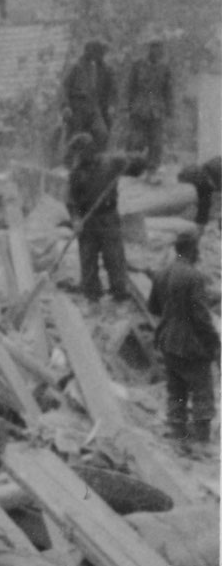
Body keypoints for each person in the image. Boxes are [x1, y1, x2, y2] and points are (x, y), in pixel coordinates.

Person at [149, 231, 219, 451]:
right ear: (191, 250)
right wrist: (215, 344)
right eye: (196, 249)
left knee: (176, 389)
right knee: (202, 390)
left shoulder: (161, 273)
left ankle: (177, 434)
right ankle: (201, 440)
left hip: (168, 341)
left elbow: (153, 307)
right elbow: (201, 318)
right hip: (190, 344)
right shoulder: (193, 276)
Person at [65, 133, 142, 303]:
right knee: (88, 259)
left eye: (80, 152)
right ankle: (92, 295)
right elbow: (71, 200)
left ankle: (119, 293)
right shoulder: (76, 173)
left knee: (114, 257)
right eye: (76, 153)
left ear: (90, 149)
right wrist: (76, 219)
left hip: (108, 217)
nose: (78, 157)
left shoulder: (111, 162)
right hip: (87, 221)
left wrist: (136, 159)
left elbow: (136, 166)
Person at [124, 38, 174, 173]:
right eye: (154, 48)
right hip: (139, 106)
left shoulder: (164, 68)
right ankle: (132, 167)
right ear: (149, 49)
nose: (157, 51)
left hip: (157, 108)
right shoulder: (138, 65)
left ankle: (153, 168)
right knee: (137, 139)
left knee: (156, 141)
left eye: (159, 49)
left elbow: (168, 90)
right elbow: (130, 87)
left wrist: (170, 109)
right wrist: (128, 106)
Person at [62, 39, 115, 153]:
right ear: (87, 51)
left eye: (99, 52)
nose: (98, 55)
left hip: (93, 106)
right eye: (95, 51)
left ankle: (95, 160)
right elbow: (65, 87)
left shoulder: (101, 68)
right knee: (76, 137)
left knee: (102, 133)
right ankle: (70, 163)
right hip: (77, 105)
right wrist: (66, 106)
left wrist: (110, 105)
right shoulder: (76, 66)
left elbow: (110, 89)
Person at [177, 156, 222, 229]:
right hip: (206, 177)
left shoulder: (202, 179)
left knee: (204, 203)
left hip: (206, 176)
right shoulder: (204, 179)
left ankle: (201, 224)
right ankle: (201, 225)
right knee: (204, 203)